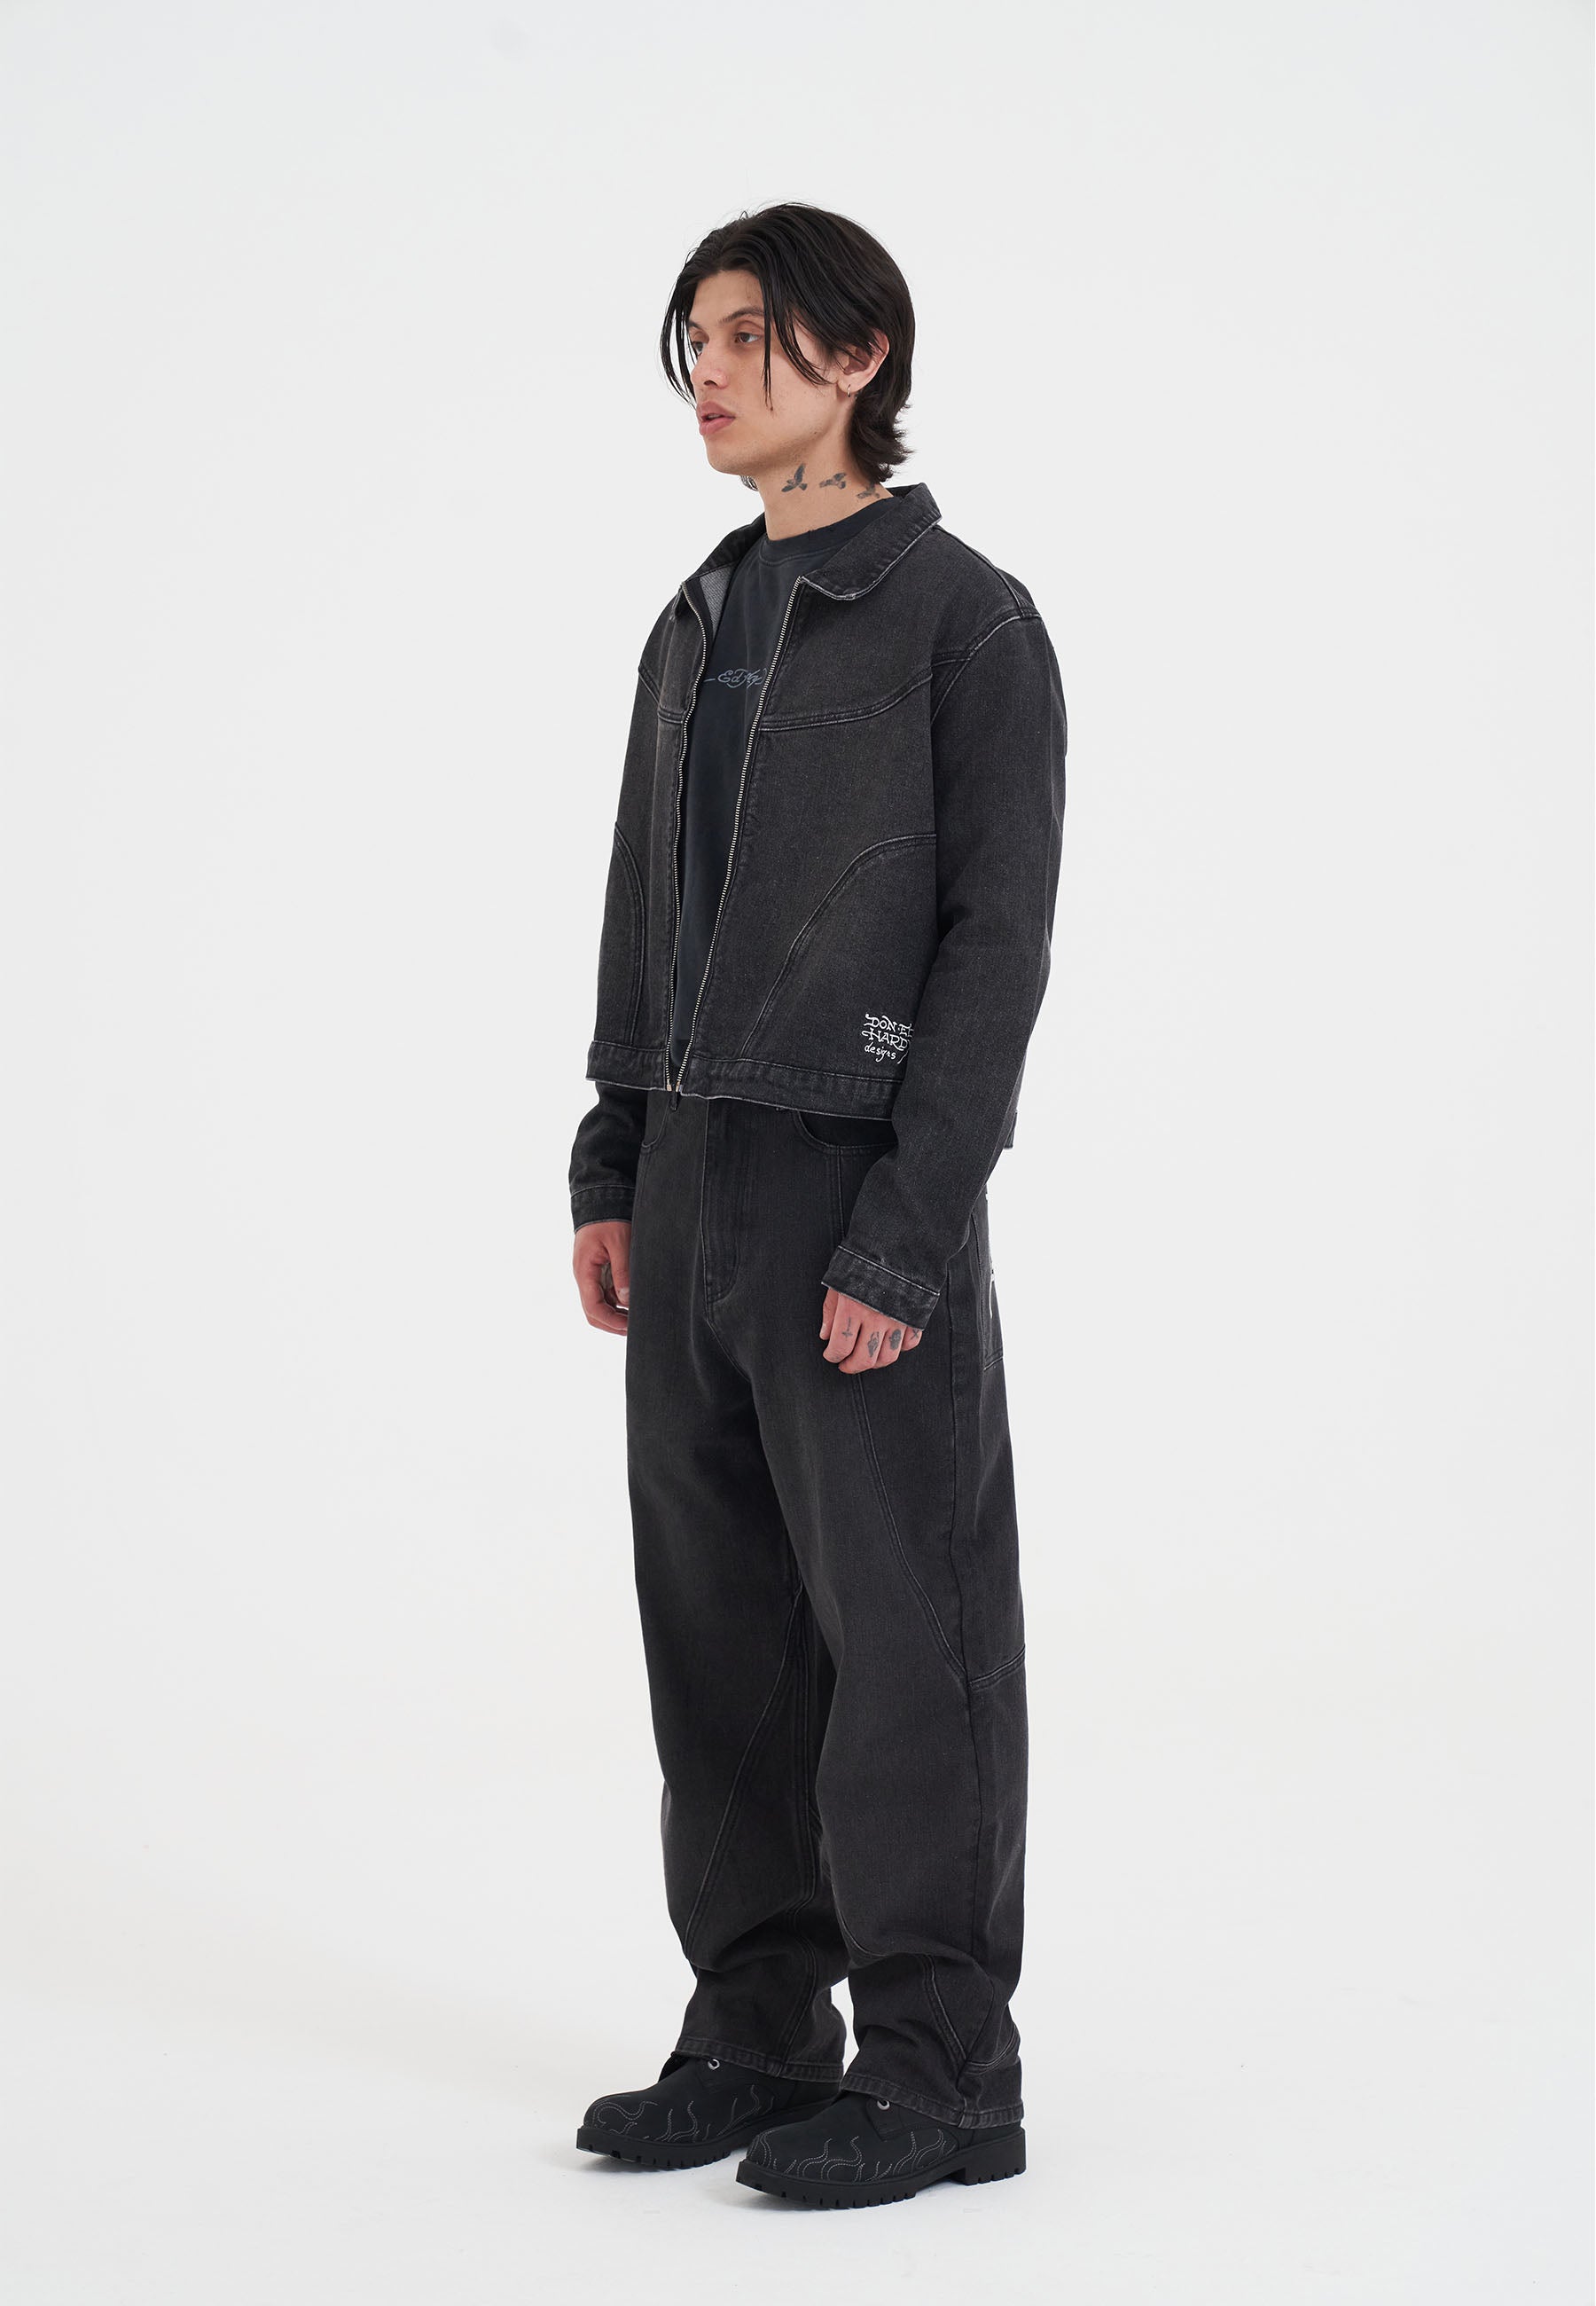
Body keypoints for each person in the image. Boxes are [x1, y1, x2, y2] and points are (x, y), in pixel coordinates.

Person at [567, 202, 1068, 2211]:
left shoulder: (965, 621)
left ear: (858, 357)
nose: (709, 371)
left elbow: (994, 952)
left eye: (747, 335)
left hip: (855, 1175)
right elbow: (646, 900)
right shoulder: (695, 619)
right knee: (719, 1631)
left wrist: (909, 1227)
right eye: (693, 339)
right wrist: (613, 1157)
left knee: (907, 1629)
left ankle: (946, 2072)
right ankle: (761, 2026)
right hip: (691, 1175)